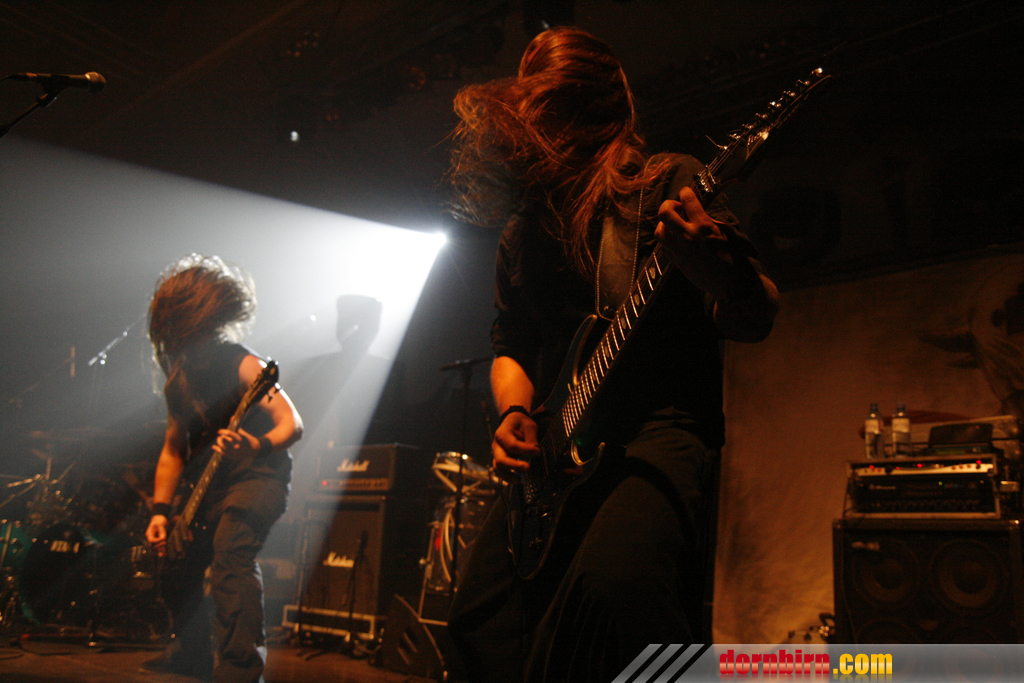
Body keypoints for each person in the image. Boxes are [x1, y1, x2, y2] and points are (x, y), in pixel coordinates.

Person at [445, 27, 779, 683]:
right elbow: (510, 344)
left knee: (614, 594)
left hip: (656, 431)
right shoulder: (522, 229)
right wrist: (514, 413)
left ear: (590, 108)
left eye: (549, 103)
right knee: (480, 619)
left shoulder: (667, 183)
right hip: (554, 452)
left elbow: (757, 316)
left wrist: (718, 267)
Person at [143, 254, 303, 682]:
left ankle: (240, 670)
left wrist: (255, 445)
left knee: (231, 556)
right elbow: (173, 450)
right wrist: (160, 512)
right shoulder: (179, 380)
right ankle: (190, 656)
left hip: (258, 477)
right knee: (175, 566)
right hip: (210, 484)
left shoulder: (244, 363)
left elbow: (292, 422)